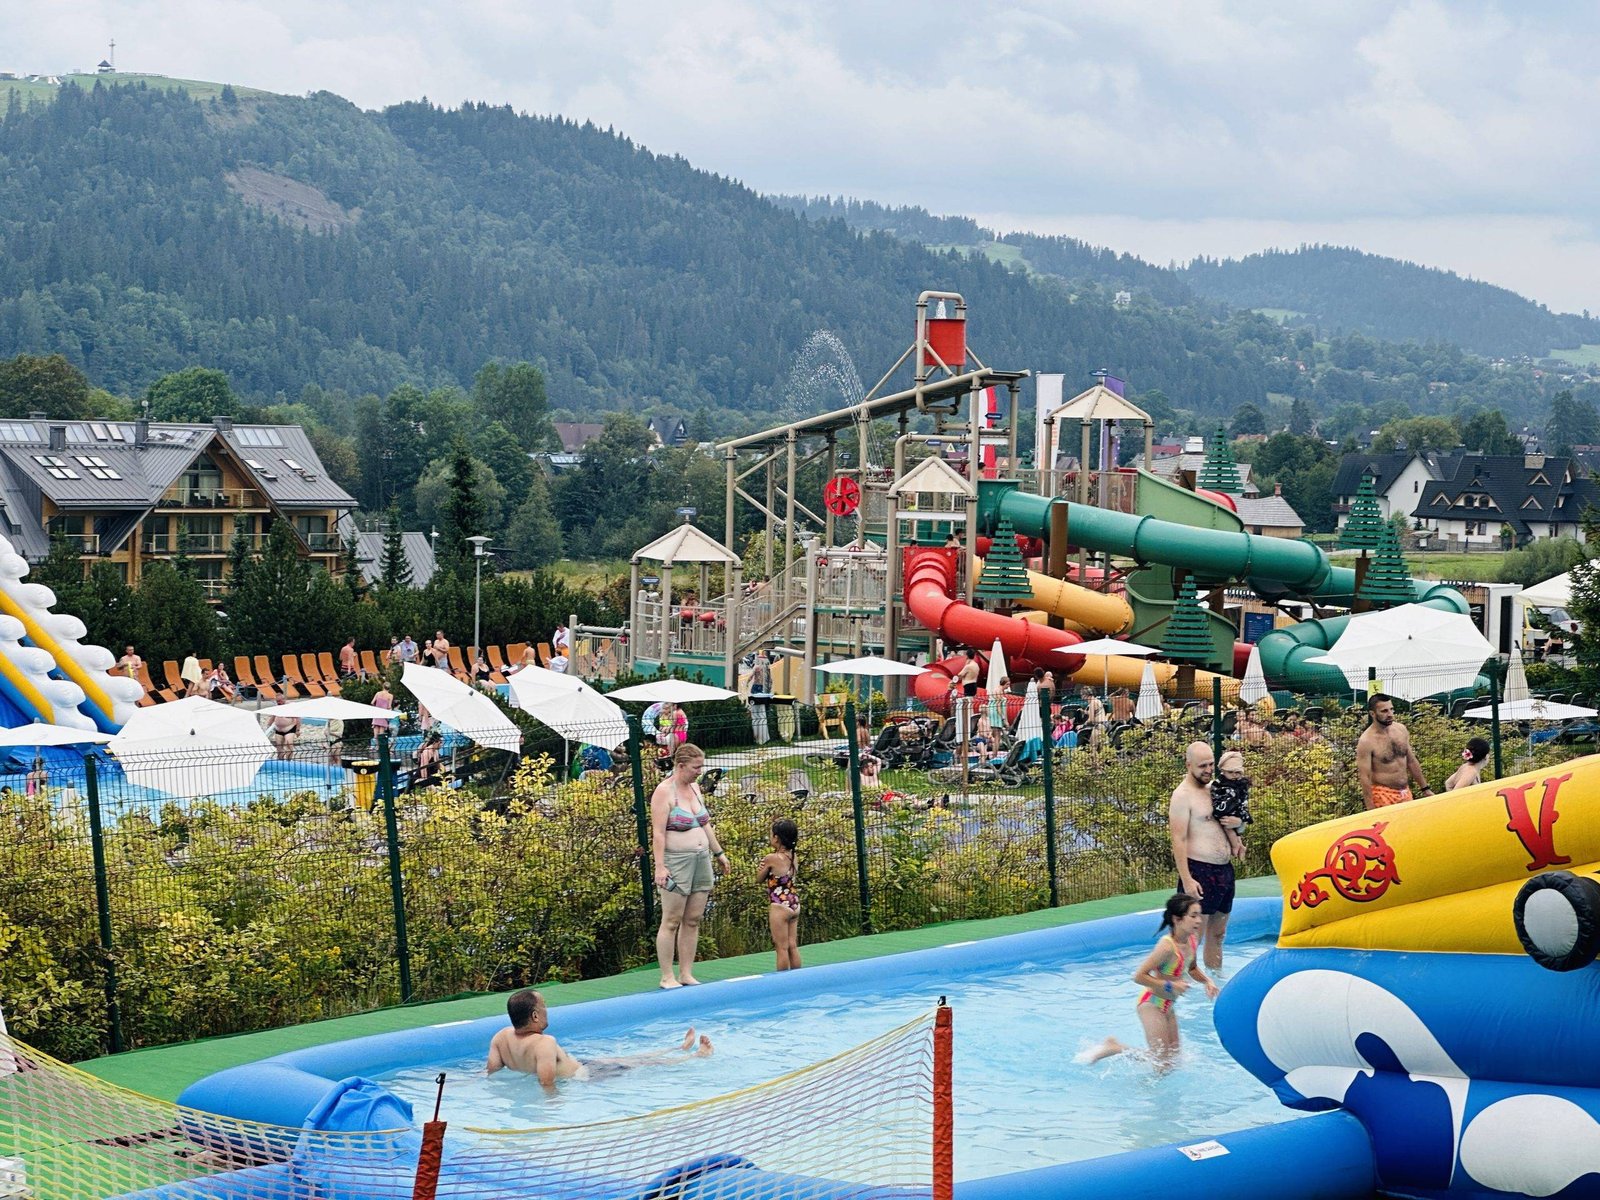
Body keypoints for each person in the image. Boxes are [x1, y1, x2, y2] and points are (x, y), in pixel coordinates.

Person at [1082, 893, 1219, 1069]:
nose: (1199, 920)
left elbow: (1192, 968)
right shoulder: (1167, 946)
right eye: (1193, 916)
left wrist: (1207, 981)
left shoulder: (1192, 940)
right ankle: (1114, 1048)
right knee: (1161, 1064)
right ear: (1177, 919)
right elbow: (1139, 976)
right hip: (1152, 1004)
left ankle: (1115, 1047)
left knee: (1173, 1061)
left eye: (1199, 915)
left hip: (1168, 1005)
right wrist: (1171, 985)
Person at [486, 989, 712, 1090]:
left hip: (583, 1065)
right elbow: (547, 1083)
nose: (547, 1010)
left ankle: (678, 1048)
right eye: (544, 1006)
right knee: (643, 1064)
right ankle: (695, 1056)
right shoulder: (544, 1043)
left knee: (628, 1058)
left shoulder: (501, 1037)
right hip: (585, 1077)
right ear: (535, 1016)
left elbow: (491, 1073)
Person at [650, 742, 728, 989]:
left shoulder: (695, 788)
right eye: (696, 767)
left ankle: (686, 973)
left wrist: (719, 853)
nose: (699, 772)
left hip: (701, 859)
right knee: (671, 920)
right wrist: (660, 866)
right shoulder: (664, 792)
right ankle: (667, 976)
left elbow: (705, 824)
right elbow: (658, 833)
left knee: (693, 919)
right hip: (677, 861)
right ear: (681, 766)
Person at [1169, 742, 1240, 972]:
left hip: (1224, 871)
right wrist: (1187, 879)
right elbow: (1178, 840)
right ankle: (1181, 984)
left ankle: (1215, 979)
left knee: (1218, 934)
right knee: (1191, 939)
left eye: (1211, 764)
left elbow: (1228, 822)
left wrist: (1238, 830)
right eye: (1202, 766)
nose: (1209, 770)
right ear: (1188, 765)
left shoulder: (1215, 790)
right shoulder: (1182, 796)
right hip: (1199, 872)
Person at [1357, 694, 1432, 809]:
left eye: (1391, 709)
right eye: (1384, 711)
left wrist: (1425, 789)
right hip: (1382, 794)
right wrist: (1370, 808)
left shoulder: (1400, 730)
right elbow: (1364, 777)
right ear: (1372, 714)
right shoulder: (1366, 741)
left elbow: (1411, 761)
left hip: (1405, 792)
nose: (1390, 714)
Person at [758, 817, 801, 971]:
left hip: (779, 905)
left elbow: (759, 879)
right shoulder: (794, 856)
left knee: (781, 948)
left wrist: (762, 867)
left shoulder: (771, 858)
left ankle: (783, 981)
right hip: (794, 903)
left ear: (776, 838)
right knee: (792, 945)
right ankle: (798, 977)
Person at [1210, 750, 1252, 860]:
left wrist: (1243, 816)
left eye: (1237, 772)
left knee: (1231, 829)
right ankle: (1239, 847)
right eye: (1230, 772)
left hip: (1236, 813)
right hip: (1227, 812)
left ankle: (1236, 847)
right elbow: (1216, 797)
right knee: (1231, 829)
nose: (1234, 775)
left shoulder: (1241, 784)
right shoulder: (1219, 784)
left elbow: (1244, 800)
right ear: (1223, 771)